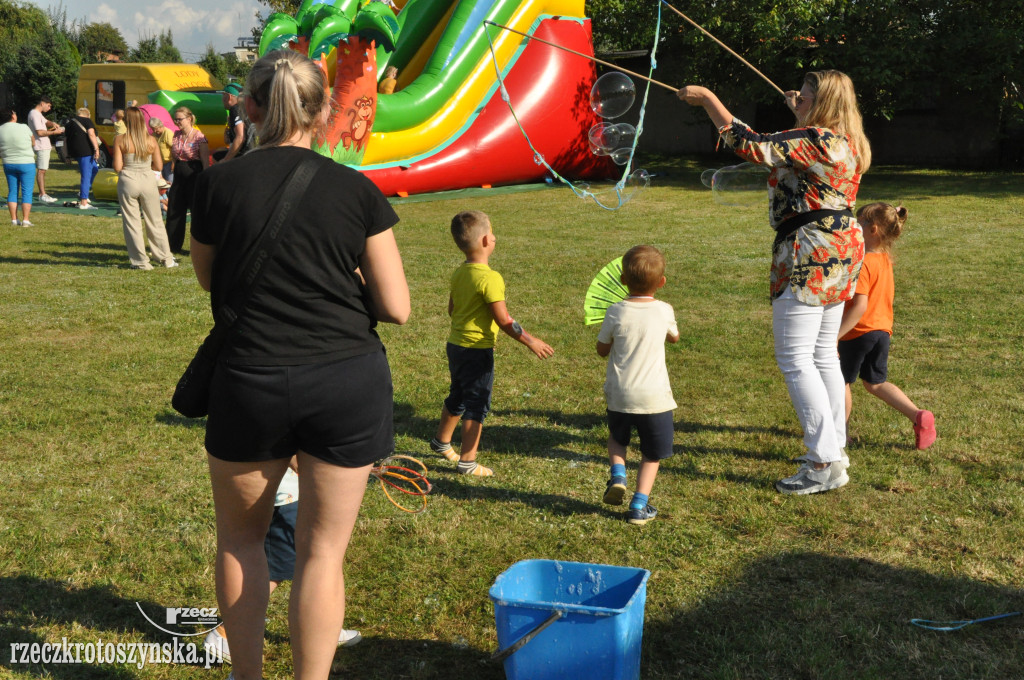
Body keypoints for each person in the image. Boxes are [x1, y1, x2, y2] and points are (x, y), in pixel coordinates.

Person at [189, 49, 409, 680]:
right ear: (325, 109)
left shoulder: (218, 184)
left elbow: (210, 280)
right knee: (322, 554)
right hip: (346, 379)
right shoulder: (356, 189)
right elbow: (396, 307)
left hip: (251, 378)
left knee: (241, 541)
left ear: (251, 107)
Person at [678, 70, 871, 495]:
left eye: (805, 95)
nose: (797, 97)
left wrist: (709, 96)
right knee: (822, 355)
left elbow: (751, 145)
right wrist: (801, 109)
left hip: (810, 248)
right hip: (840, 246)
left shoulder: (814, 138)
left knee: (796, 357)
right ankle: (833, 450)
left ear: (822, 104)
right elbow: (791, 148)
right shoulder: (845, 141)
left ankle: (823, 461)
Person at [429, 210, 554, 477]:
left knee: (458, 395)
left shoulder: (460, 273)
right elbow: (505, 320)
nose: (495, 237)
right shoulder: (490, 278)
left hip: (456, 346)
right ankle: (467, 461)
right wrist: (531, 341)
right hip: (476, 351)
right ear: (486, 240)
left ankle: (441, 442)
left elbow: (452, 309)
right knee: (477, 403)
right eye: (493, 233)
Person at [203, 462, 362, 665]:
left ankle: (324, 628)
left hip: (285, 489)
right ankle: (225, 634)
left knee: (315, 562)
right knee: (298, 566)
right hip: (286, 494)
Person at [838, 202, 936, 450]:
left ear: (872, 230)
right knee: (875, 383)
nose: (854, 227)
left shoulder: (863, 263)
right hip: (882, 332)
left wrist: (835, 336)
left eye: (859, 223)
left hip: (858, 332)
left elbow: (860, 306)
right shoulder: (884, 259)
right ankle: (918, 415)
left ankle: (841, 436)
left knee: (842, 381)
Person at [596, 245, 679, 525]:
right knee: (651, 453)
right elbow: (674, 337)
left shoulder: (615, 311)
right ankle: (639, 507)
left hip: (620, 394)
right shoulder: (664, 310)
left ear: (622, 280)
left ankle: (618, 475)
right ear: (662, 283)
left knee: (618, 438)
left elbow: (602, 349)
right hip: (655, 398)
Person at [112, 106, 177, 270]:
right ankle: (165, 258)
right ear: (142, 121)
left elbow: (117, 167)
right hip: (148, 180)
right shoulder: (151, 140)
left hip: (128, 180)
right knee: (155, 220)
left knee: (132, 222)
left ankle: (141, 262)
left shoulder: (120, 139)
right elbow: (159, 166)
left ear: (126, 121)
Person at [166, 106, 208, 254]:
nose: (177, 122)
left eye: (180, 119)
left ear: (189, 119)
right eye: (175, 119)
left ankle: (199, 247)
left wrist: (204, 180)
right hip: (179, 176)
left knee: (196, 213)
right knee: (174, 210)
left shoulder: (199, 137)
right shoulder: (176, 135)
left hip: (194, 175)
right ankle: (172, 246)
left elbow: (204, 160)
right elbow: (174, 156)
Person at [0, 108, 36, 226]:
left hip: (8, 163)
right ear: (12, 116)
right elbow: (33, 142)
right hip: (26, 162)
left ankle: (14, 220)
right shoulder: (24, 127)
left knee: (12, 191)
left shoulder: (1, 129)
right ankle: (25, 219)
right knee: (27, 192)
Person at [63, 107, 101, 209]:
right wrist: (96, 148)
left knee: (94, 169)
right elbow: (91, 134)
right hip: (86, 151)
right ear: (87, 114)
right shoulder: (87, 121)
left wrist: (66, 155)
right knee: (86, 175)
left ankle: (83, 192)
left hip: (74, 151)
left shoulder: (69, 123)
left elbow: (65, 140)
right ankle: (84, 201)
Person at [27, 95, 63, 204]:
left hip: (43, 146)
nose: (49, 108)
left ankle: (42, 194)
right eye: (48, 106)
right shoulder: (35, 114)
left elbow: (46, 122)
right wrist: (54, 132)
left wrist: (53, 124)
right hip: (41, 146)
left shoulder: (38, 114)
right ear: (42, 103)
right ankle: (42, 194)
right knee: (41, 171)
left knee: (43, 170)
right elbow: (40, 132)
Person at [214, 82, 248, 163]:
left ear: (229, 97)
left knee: (216, 158)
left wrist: (226, 159)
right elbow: (227, 141)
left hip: (243, 154)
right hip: (249, 152)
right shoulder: (245, 108)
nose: (222, 99)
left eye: (223, 96)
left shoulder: (235, 109)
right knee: (219, 151)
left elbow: (240, 137)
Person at [149, 117, 174, 182]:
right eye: (152, 129)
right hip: (159, 163)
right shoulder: (153, 135)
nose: (154, 131)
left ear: (160, 126)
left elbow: (174, 148)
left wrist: (173, 163)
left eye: (156, 129)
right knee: (160, 183)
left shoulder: (168, 133)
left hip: (169, 162)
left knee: (169, 182)